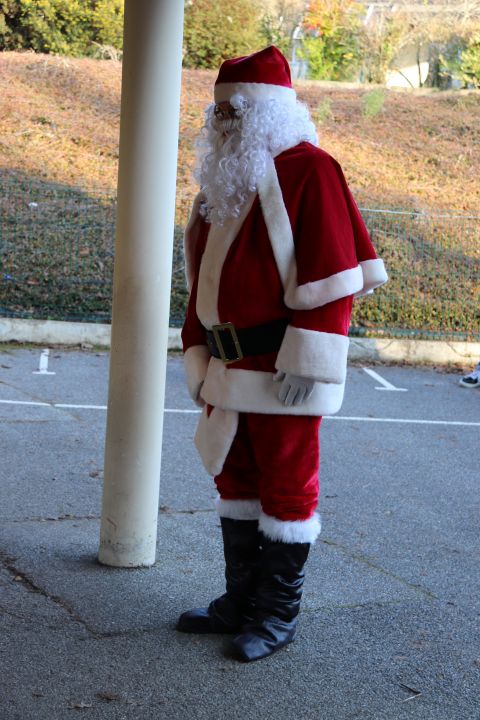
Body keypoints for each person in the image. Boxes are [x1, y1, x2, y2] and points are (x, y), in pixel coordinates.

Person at [177, 46, 388, 662]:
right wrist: (197, 347)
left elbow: (334, 277)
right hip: (228, 365)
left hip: (281, 367)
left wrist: (309, 360)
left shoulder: (311, 170)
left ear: (269, 110)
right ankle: (241, 601)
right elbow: (204, 281)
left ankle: (276, 614)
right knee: (236, 479)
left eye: (235, 110)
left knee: (288, 488)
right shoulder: (225, 180)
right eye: (218, 112)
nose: (223, 121)